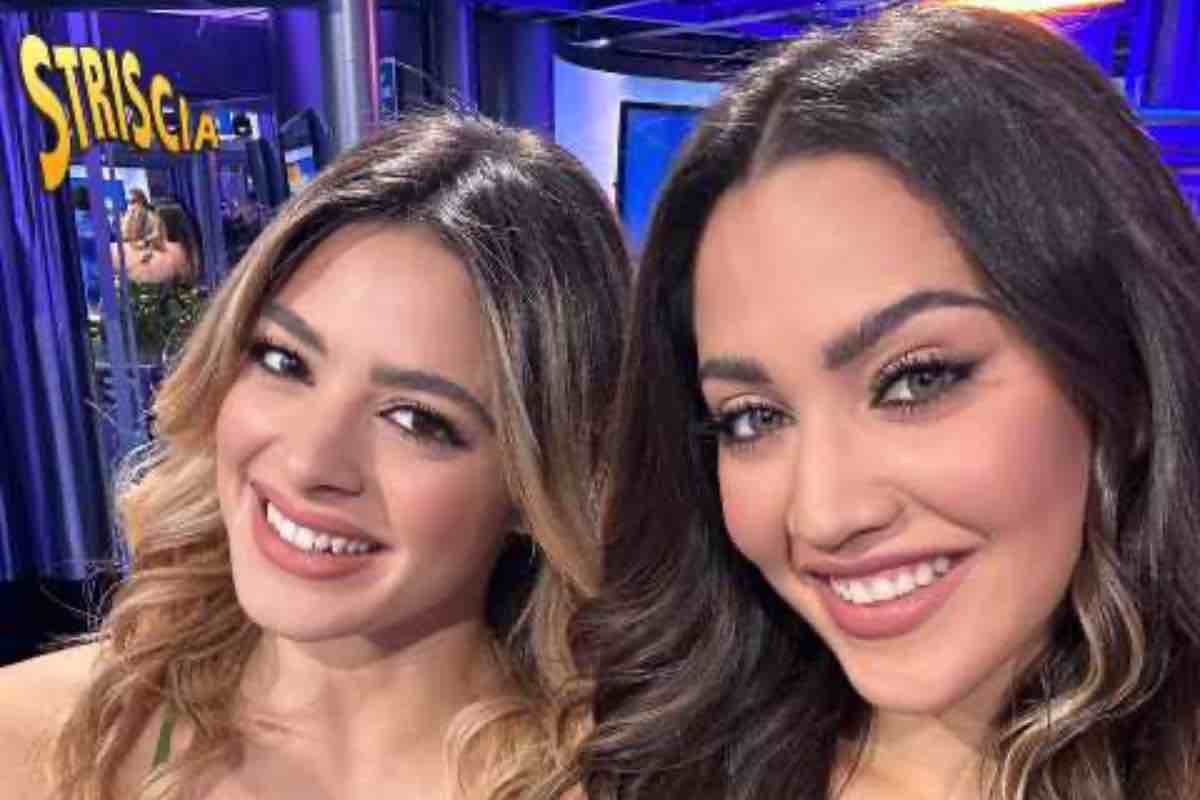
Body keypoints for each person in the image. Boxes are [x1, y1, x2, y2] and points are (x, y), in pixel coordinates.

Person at [569, 7, 1200, 800]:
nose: (825, 515)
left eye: (917, 380)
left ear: (1127, 372)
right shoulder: (659, 776)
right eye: (752, 418)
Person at [0, 109, 629, 799]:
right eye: (284, 361)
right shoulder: (29, 745)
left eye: (416, 419)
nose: (307, 464)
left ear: (537, 486)